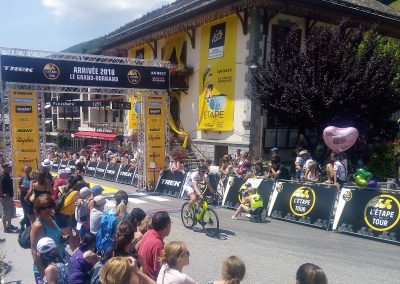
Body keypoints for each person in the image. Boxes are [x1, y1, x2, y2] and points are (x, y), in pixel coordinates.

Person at [30, 194, 67, 283]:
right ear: (38, 210)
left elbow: (56, 238)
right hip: (45, 266)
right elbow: (34, 251)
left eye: (49, 206)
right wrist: (43, 273)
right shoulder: (38, 225)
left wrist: (63, 239)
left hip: (57, 262)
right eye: (43, 207)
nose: (47, 209)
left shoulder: (50, 218)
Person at [138, 211, 172, 280]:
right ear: (167, 226)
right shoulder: (158, 245)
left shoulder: (148, 233)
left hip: (143, 277)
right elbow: (160, 271)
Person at [0, 162, 17, 233]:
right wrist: (2, 194)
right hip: (5, 197)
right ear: (4, 168)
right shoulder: (1, 176)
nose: (10, 168)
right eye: (8, 167)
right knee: (5, 212)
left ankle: (9, 225)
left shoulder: (7, 174)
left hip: (9, 196)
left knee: (10, 211)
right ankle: (5, 228)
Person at [18, 165, 32, 230]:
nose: (25, 171)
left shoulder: (32, 178)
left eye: (27, 169)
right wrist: (27, 189)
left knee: (29, 213)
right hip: (23, 197)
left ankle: (22, 222)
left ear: (30, 170)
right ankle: (28, 228)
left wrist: (26, 188)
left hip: (31, 198)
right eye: (24, 170)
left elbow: (32, 188)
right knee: (26, 213)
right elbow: (19, 186)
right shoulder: (22, 177)